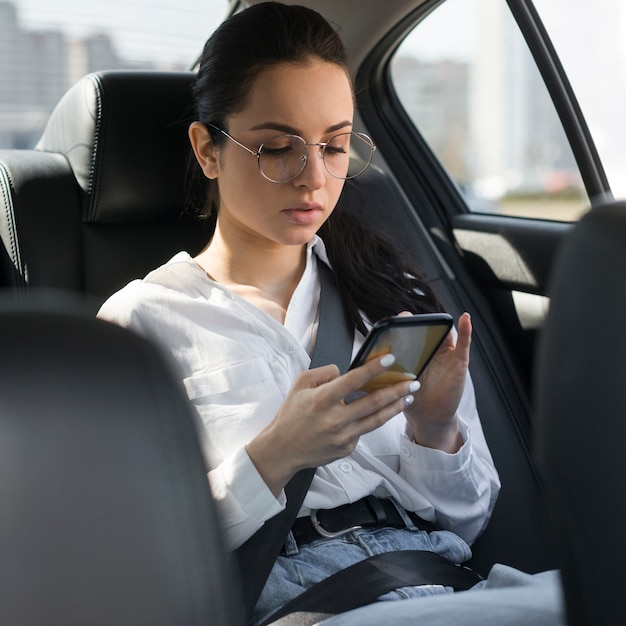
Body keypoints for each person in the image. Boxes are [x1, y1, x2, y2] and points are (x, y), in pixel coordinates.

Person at [98, 3, 561, 625]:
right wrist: (274, 456)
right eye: (275, 148)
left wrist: (435, 428)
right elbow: (127, 551)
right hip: (300, 599)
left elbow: (469, 519)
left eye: (335, 145)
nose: (314, 178)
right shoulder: (141, 322)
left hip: (442, 579)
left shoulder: (387, 291)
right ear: (207, 149)